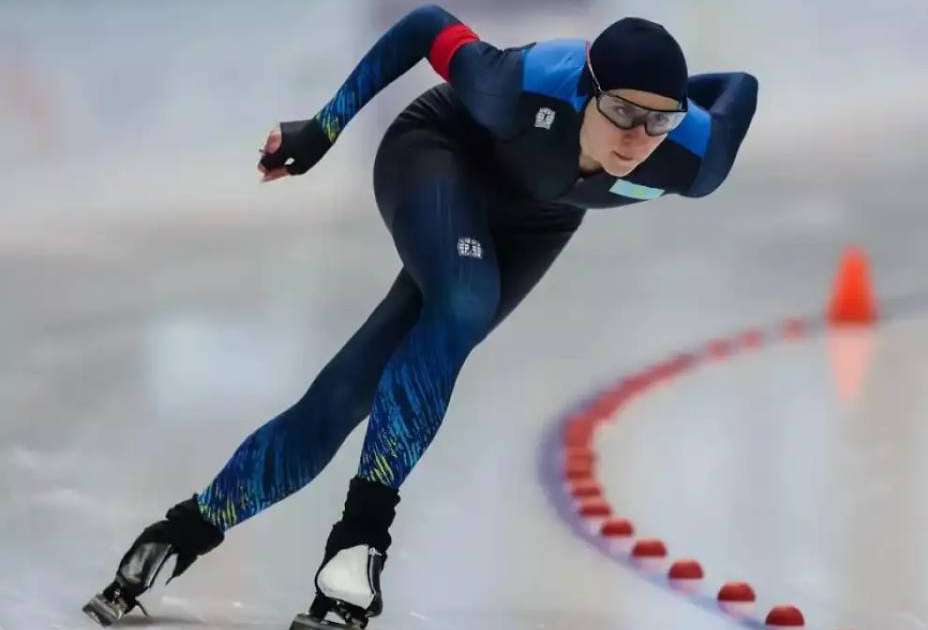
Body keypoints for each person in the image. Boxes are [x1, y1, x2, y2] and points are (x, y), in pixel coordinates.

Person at [83, 4, 757, 628]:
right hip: (438, 153)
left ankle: (180, 534)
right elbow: (425, 23)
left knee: (352, 390)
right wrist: (321, 130)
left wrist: (668, 95)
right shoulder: (517, 86)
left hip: (539, 221)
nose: (637, 137)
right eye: (620, 110)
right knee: (465, 300)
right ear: (586, 89)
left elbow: (741, 87)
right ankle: (359, 543)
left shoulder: (693, 158)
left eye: (658, 119)